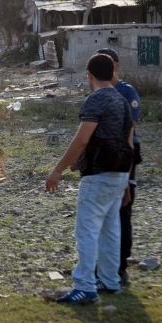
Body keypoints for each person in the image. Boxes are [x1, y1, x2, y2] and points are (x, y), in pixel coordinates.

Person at [45, 53, 134, 305]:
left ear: (90, 76)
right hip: (118, 175)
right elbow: (129, 144)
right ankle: (109, 280)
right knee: (110, 231)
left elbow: (82, 139)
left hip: (98, 176)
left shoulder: (95, 101)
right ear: (113, 73)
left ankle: (85, 286)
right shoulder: (123, 101)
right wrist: (126, 180)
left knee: (86, 231)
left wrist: (58, 169)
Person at [95, 48, 142, 286]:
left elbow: (128, 135)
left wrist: (125, 171)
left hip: (123, 156)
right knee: (100, 212)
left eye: (109, 64)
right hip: (101, 158)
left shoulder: (126, 92)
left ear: (116, 66)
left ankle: (121, 266)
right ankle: (100, 266)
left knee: (122, 211)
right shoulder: (97, 91)